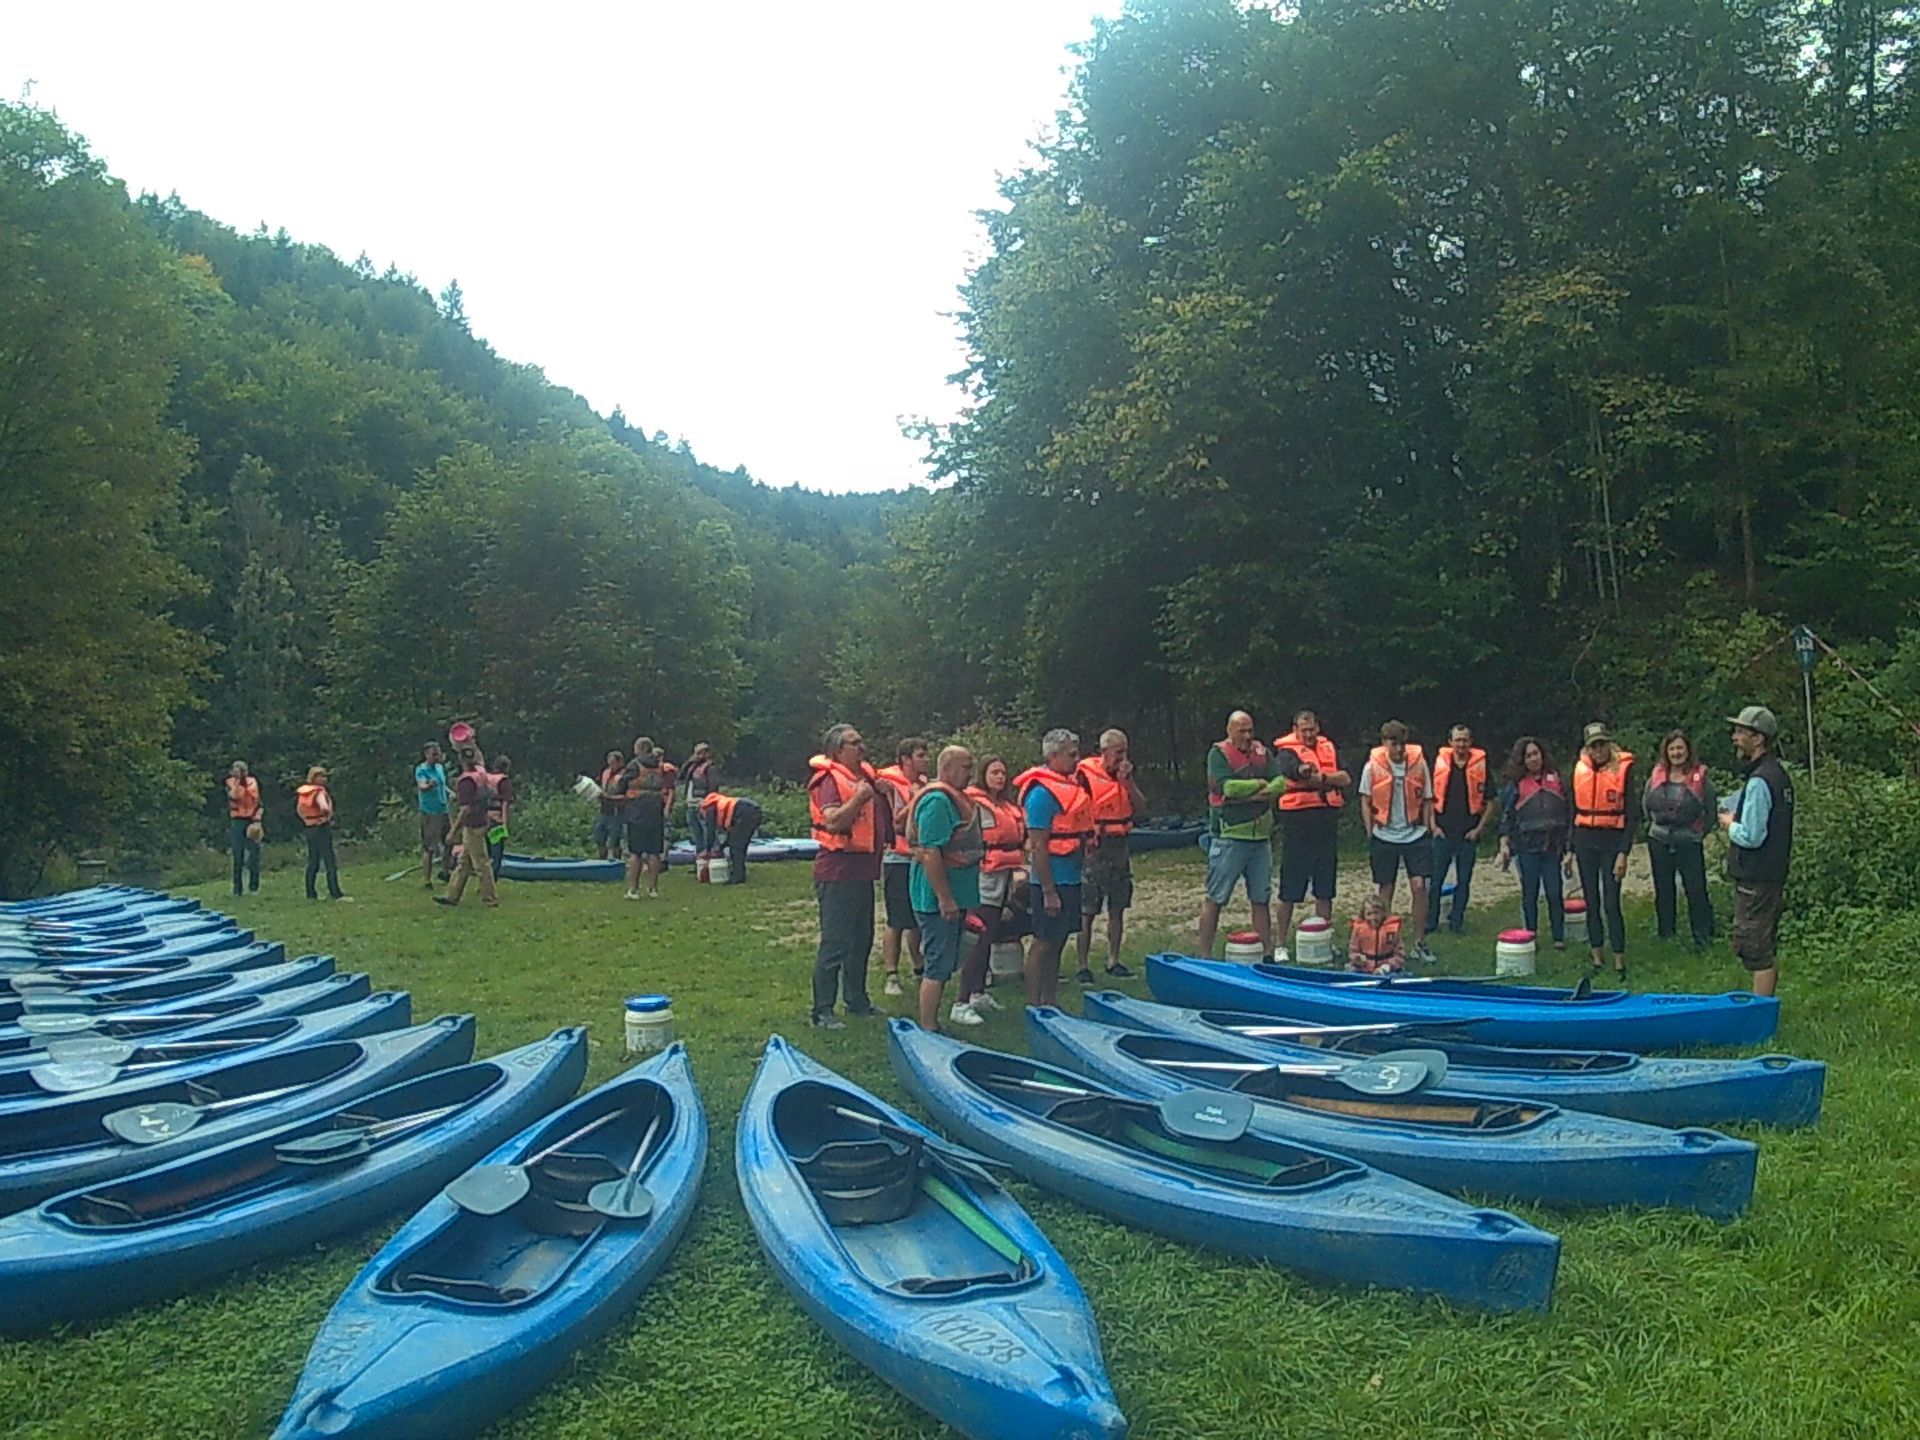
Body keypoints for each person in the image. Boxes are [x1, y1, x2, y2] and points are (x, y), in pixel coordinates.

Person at [1198, 711, 1296, 959]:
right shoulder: (1218, 754)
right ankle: (1204, 955)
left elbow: (1280, 783)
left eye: (1250, 730)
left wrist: (1254, 793)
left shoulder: (1262, 752)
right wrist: (1260, 786)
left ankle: (1266, 954)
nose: (1248, 735)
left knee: (1260, 898)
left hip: (1260, 838)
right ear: (1229, 730)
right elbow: (1228, 787)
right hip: (1229, 836)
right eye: (1242, 730)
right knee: (1216, 897)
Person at [807, 723, 884, 1029]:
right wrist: (860, 799)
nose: (862, 746)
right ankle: (822, 1010)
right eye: (854, 742)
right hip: (837, 872)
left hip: (862, 872)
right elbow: (833, 822)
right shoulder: (829, 780)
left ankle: (857, 1000)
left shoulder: (863, 777)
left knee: (862, 941)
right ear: (838, 751)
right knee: (835, 943)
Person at [909, 745, 986, 1032]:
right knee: (938, 965)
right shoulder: (938, 802)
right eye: (965, 767)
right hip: (937, 900)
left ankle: (933, 1023)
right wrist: (945, 899)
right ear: (947, 769)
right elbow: (930, 852)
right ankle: (928, 1027)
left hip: (958, 894)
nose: (971, 773)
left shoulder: (958, 799)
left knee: (946, 962)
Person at [1719, 705, 1794, 997]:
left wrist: (1729, 823)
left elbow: (1752, 836)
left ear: (1758, 738)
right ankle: (1764, 1004)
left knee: (1755, 948)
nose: (1735, 737)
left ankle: (1761, 1012)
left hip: (1757, 876)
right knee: (1764, 943)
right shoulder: (1778, 774)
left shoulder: (1761, 779)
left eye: (1741, 732)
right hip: (1771, 873)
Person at [1016, 728, 1094, 1007]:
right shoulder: (1041, 795)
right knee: (1044, 942)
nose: (1077, 759)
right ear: (1053, 756)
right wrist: (1049, 892)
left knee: (1058, 941)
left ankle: (1050, 1001)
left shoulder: (1070, 788)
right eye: (1071, 754)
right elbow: (1038, 846)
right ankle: (1034, 1004)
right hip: (1050, 882)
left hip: (1070, 877)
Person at [1272, 709, 1348, 962]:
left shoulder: (1328, 748)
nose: (1308, 734)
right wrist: (1320, 778)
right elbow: (1295, 771)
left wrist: (1322, 778)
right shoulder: (1286, 752)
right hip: (1298, 822)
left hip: (1326, 821)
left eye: (1311, 729)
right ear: (1295, 730)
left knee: (1325, 887)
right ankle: (1280, 944)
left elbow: (1345, 778)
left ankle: (1324, 940)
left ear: (1318, 728)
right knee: (1290, 887)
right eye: (1303, 730)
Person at [1360, 721, 1437, 964]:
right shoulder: (1372, 766)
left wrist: (1428, 825)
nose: (1399, 749)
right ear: (1384, 743)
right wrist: (1370, 830)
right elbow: (1365, 800)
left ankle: (1419, 942)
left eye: (1402, 743)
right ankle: (1385, 944)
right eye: (1394, 744)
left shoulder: (1419, 763)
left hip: (1415, 833)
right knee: (1386, 889)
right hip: (1384, 834)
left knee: (1419, 886)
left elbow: (1428, 797)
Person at [956, 754, 1025, 1022]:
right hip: (984, 876)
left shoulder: (1005, 806)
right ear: (983, 775)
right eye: (994, 772)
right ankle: (961, 1002)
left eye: (1003, 773)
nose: (1000, 777)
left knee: (991, 935)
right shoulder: (974, 804)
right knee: (979, 938)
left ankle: (978, 992)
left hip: (1004, 875)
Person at [1075, 728, 1143, 983]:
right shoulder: (1085, 775)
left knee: (1118, 907)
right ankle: (1082, 965)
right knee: (1087, 910)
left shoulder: (1125, 778)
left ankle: (1113, 960)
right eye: (1118, 753)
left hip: (1119, 846)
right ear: (1104, 752)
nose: (1122, 758)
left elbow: (1141, 808)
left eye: (1125, 752)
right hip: (1095, 848)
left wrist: (1129, 782)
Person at [1571, 722, 1637, 980]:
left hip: (1612, 841)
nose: (1598, 750)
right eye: (1593, 746)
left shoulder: (1623, 770)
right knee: (1591, 901)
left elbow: (1632, 815)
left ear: (1608, 744)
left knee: (1611, 901)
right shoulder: (1580, 770)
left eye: (1602, 744)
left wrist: (1623, 852)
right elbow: (1572, 811)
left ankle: (1620, 958)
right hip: (1585, 841)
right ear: (1587, 748)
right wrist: (1569, 849)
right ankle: (1597, 956)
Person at [1644, 730, 1717, 950]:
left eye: (1680, 748)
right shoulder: (1656, 777)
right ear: (1666, 752)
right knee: (1663, 888)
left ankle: (1702, 935)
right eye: (1672, 748)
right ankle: (1666, 933)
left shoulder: (1701, 778)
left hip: (1689, 840)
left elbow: (1711, 810)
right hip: (1659, 839)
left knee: (1695, 889)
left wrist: (1700, 833)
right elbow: (1646, 806)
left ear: (1688, 750)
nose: (1676, 753)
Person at [1496, 737, 1570, 949]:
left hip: (1553, 846)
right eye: (1528, 756)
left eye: (1536, 754)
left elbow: (1568, 812)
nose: (1533, 759)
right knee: (1530, 893)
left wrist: (1569, 847)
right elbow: (1507, 817)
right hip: (1526, 847)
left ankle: (1558, 937)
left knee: (1554, 892)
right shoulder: (1515, 785)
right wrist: (1504, 844)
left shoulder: (1557, 779)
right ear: (1522, 760)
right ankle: (1530, 935)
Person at [875, 738, 930, 997]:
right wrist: (916, 799)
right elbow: (896, 823)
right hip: (897, 857)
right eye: (921, 755)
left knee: (917, 916)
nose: (926, 760)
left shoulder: (924, 784)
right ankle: (891, 974)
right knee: (896, 919)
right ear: (906, 759)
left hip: (919, 857)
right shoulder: (890, 784)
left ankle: (919, 966)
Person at [1428, 724, 1493, 936]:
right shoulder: (1440, 765)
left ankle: (1456, 921)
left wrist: (1478, 830)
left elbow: (1490, 802)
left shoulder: (1480, 766)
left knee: (1463, 881)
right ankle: (1431, 921)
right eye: (1457, 740)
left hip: (1468, 834)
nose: (1461, 744)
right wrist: (1433, 826)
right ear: (1450, 742)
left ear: (1471, 742)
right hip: (1443, 832)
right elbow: (1429, 799)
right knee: (1435, 880)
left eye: (1465, 740)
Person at [437, 747, 500, 908]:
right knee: (464, 862)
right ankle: (452, 895)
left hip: (472, 825)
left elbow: (465, 809)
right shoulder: (480, 773)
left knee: (481, 864)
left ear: (461, 760)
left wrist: (453, 831)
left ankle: (490, 898)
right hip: (482, 820)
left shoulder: (466, 781)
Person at [612, 750, 669, 899]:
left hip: (637, 813)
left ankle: (634, 890)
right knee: (654, 852)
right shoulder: (660, 766)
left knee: (635, 853)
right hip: (656, 812)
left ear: (639, 749)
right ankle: (653, 889)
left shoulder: (634, 765)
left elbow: (622, 786)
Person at [296, 765, 346, 901]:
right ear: (315, 778)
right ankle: (335, 892)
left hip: (309, 828)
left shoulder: (304, 793)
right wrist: (326, 816)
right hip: (321, 827)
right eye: (322, 776)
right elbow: (324, 807)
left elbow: (299, 810)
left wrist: (307, 820)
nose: (324, 779)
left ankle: (311, 893)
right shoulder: (319, 792)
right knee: (330, 861)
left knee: (313, 861)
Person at [702, 788, 764, 883]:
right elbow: (730, 833)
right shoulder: (719, 804)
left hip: (746, 813)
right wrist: (722, 846)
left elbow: (710, 832)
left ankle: (738, 877)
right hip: (753, 811)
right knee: (737, 844)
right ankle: (738, 872)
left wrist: (708, 850)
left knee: (736, 847)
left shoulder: (710, 809)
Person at [413, 743, 451, 887]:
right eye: (434, 754)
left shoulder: (440, 768)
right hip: (430, 812)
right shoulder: (421, 770)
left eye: (438, 754)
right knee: (430, 847)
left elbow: (442, 785)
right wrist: (429, 785)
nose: (437, 757)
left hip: (443, 809)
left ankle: (445, 872)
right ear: (426, 755)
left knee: (449, 842)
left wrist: (450, 793)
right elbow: (422, 786)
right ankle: (427, 879)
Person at [225, 761, 262, 897]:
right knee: (237, 854)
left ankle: (254, 886)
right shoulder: (230, 783)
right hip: (237, 820)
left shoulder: (253, 782)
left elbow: (258, 802)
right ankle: (237, 888)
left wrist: (258, 819)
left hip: (252, 819)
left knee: (254, 853)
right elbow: (233, 797)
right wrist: (237, 782)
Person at [1346, 895, 1406, 975]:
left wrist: (1387, 967)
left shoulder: (1392, 931)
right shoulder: (1358, 930)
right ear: (1363, 915)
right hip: (1363, 968)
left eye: (1376, 913)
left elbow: (1400, 955)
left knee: (1398, 975)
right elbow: (1352, 951)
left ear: (1383, 913)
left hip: (1387, 969)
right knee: (1350, 972)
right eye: (1369, 914)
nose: (1373, 917)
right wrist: (1357, 959)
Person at [684, 742, 720, 855]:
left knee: (707, 831)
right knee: (696, 833)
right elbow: (681, 775)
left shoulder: (710, 768)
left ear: (707, 754)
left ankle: (713, 854)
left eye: (700, 753)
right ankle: (700, 857)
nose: (697, 756)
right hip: (691, 803)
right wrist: (689, 762)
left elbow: (713, 787)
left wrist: (707, 803)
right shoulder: (692, 767)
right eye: (696, 753)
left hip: (703, 803)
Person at [592, 749, 627, 861]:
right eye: (609, 763)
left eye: (613, 763)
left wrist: (609, 797)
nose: (611, 766)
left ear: (620, 762)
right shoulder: (605, 772)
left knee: (615, 838)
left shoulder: (625, 775)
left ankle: (617, 861)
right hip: (604, 810)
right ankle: (602, 859)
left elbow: (627, 795)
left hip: (617, 811)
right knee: (599, 836)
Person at [486, 753, 515, 877]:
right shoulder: (504, 781)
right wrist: (505, 823)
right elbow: (505, 804)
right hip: (497, 819)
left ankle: (485, 877)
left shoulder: (486, 778)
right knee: (496, 852)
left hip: (484, 817)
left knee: (486, 850)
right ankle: (492, 879)